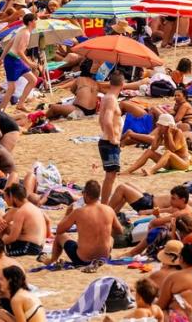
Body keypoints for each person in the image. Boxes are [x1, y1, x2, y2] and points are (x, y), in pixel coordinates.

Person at [44, 180, 120, 267]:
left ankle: (52, 260)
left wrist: (67, 214)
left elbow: (59, 230)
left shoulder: (79, 212)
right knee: (110, 238)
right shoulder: (109, 210)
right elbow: (119, 230)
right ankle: (100, 257)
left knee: (60, 236)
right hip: (105, 257)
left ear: (86, 194)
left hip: (83, 259)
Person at [97, 71, 125, 202]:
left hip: (106, 140)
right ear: (122, 84)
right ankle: (104, 203)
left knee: (111, 175)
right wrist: (113, 138)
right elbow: (107, 120)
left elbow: (100, 120)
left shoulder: (106, 98)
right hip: (109, 142)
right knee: (110, 176)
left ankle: (104, 202)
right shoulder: (111, 100)